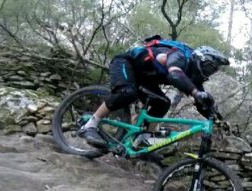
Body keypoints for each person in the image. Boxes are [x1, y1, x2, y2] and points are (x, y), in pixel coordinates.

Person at [78, 36, 230, 148]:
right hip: (126, 63)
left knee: (162, 103)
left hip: (144, 78)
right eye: (209, 67)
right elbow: (174, 74)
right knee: (127, 92)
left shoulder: (193, 77)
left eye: (213, 70)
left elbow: (202, 103)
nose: (209, 72)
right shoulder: (180, 56)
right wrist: (196, 93)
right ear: (200, 59)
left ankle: (142, 140)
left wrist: (218, 120)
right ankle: (90, 125)